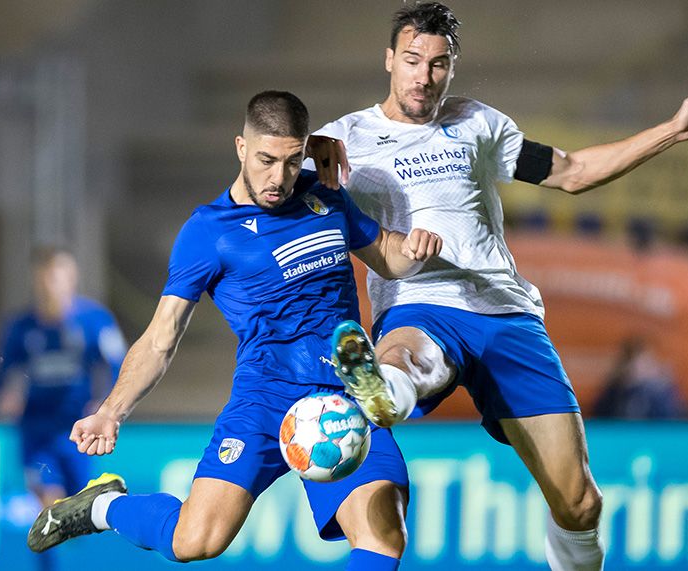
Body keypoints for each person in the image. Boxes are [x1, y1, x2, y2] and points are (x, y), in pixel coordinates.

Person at [307, 3, 688, 570]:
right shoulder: (341, 141)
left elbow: (574, 173)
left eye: (438, 64)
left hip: (506, 315)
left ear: (452, 68)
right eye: (412, 60)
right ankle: (383, 388)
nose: (424, 76)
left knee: (581, 504)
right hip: (421, 304)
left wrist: (674, 130)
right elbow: (276, 186)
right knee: (408, 361)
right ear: (390, 59)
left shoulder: (479, 124)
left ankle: (391, 391)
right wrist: (303, 160)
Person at [26, 90, 442, 571]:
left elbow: (387, 258)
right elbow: (161, 338)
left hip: (348, 392)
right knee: (195, 542)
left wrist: (412, 251)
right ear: (241, 147)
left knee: (383, 537)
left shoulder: (324, 195)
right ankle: (102, 506)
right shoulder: (207, 233)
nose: (278, 177)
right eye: (266, 159)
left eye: (291, 161)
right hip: (264, 398)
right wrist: (110, 411)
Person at [0, 246, 126, 571]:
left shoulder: (94, 321)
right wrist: (6, 395)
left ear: (72, 277)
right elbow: (1, 372)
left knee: (72, 520)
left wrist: (105, 404)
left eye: (59, 275)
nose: (52, 283)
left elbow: (117, 364)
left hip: (77, 430)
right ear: (38, 280)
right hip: (36, 429)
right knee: (46, 507)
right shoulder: (21, 326)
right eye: (46, 276)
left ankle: (75, 517)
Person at [593, 337, 688, 419]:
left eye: (644, 363)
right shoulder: (614, 390)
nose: (636, 368)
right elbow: (601, 416)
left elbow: (670, 420)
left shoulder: (662, 391)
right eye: (631, 363)